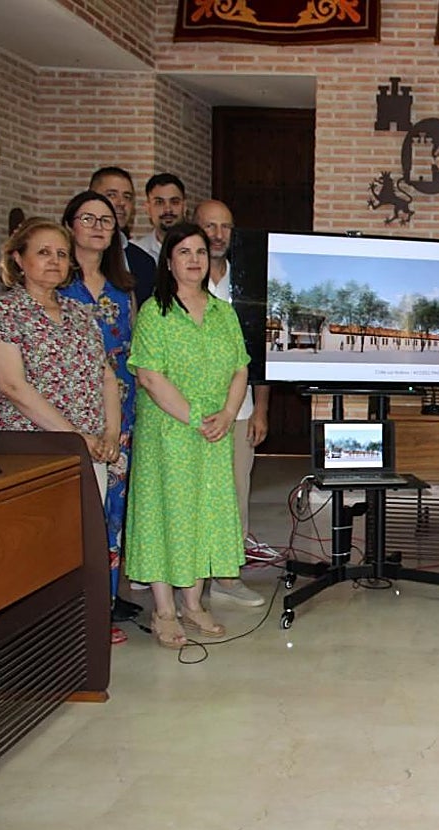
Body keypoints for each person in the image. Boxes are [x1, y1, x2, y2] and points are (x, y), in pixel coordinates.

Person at [0, 219, 121, 638]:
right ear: (18, 259)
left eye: (60, 253)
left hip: (90, 451)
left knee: (81, 549)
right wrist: (76, 437)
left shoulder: (79, 312)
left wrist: (109, 434)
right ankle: (28, 643)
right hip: (33, 455)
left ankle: (75, 640)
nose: (54, 261)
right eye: (43, 252)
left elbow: (106, 375)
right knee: (35, 553)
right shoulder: (3, 313)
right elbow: (13, 387)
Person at [126, 222, 250, 649]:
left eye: (200, 251)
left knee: (204, 515)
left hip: (215, 431)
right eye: (184, 252)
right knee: (167, 516)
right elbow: (149, 376)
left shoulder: (223, 313)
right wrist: (198, 418)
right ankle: (163, 610)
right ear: (169, 261)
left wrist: (229, 413)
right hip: (169, 434)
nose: (195, 259)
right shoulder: (153, 311)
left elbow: (240, 367)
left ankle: (194, 603)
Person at [60, 190, 139, 640]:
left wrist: (122, 425)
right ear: (70, 224)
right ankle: (69, 614)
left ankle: (103, 608)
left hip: (119, 420)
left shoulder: (121, 289)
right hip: (66, 419)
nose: (97, 227)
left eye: (106, 221)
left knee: (112, 515)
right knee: (70, 517)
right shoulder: (55, 282)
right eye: (87, 218)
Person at [193, 198, 277, 608]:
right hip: (188, 412)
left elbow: (259, 353)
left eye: (225, 226)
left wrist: (259, 408)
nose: (218, 234)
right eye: (210, 226)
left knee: (235, 492)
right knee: (192, 494)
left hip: (240, 408)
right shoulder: (180, 281)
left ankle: (227, 577)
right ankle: (188, 576)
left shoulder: (246, 282)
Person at [89, 166, 157, 306]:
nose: (121, 203)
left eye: (127, 197)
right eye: (112, 194)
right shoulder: (69, 255)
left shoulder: (144, 263)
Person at [135, 173, 186, 262]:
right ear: (148, 208)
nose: (168, 209)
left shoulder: (199, 252)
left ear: (185, 207)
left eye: (174, 202)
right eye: (159, 202)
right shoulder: (136, 251)